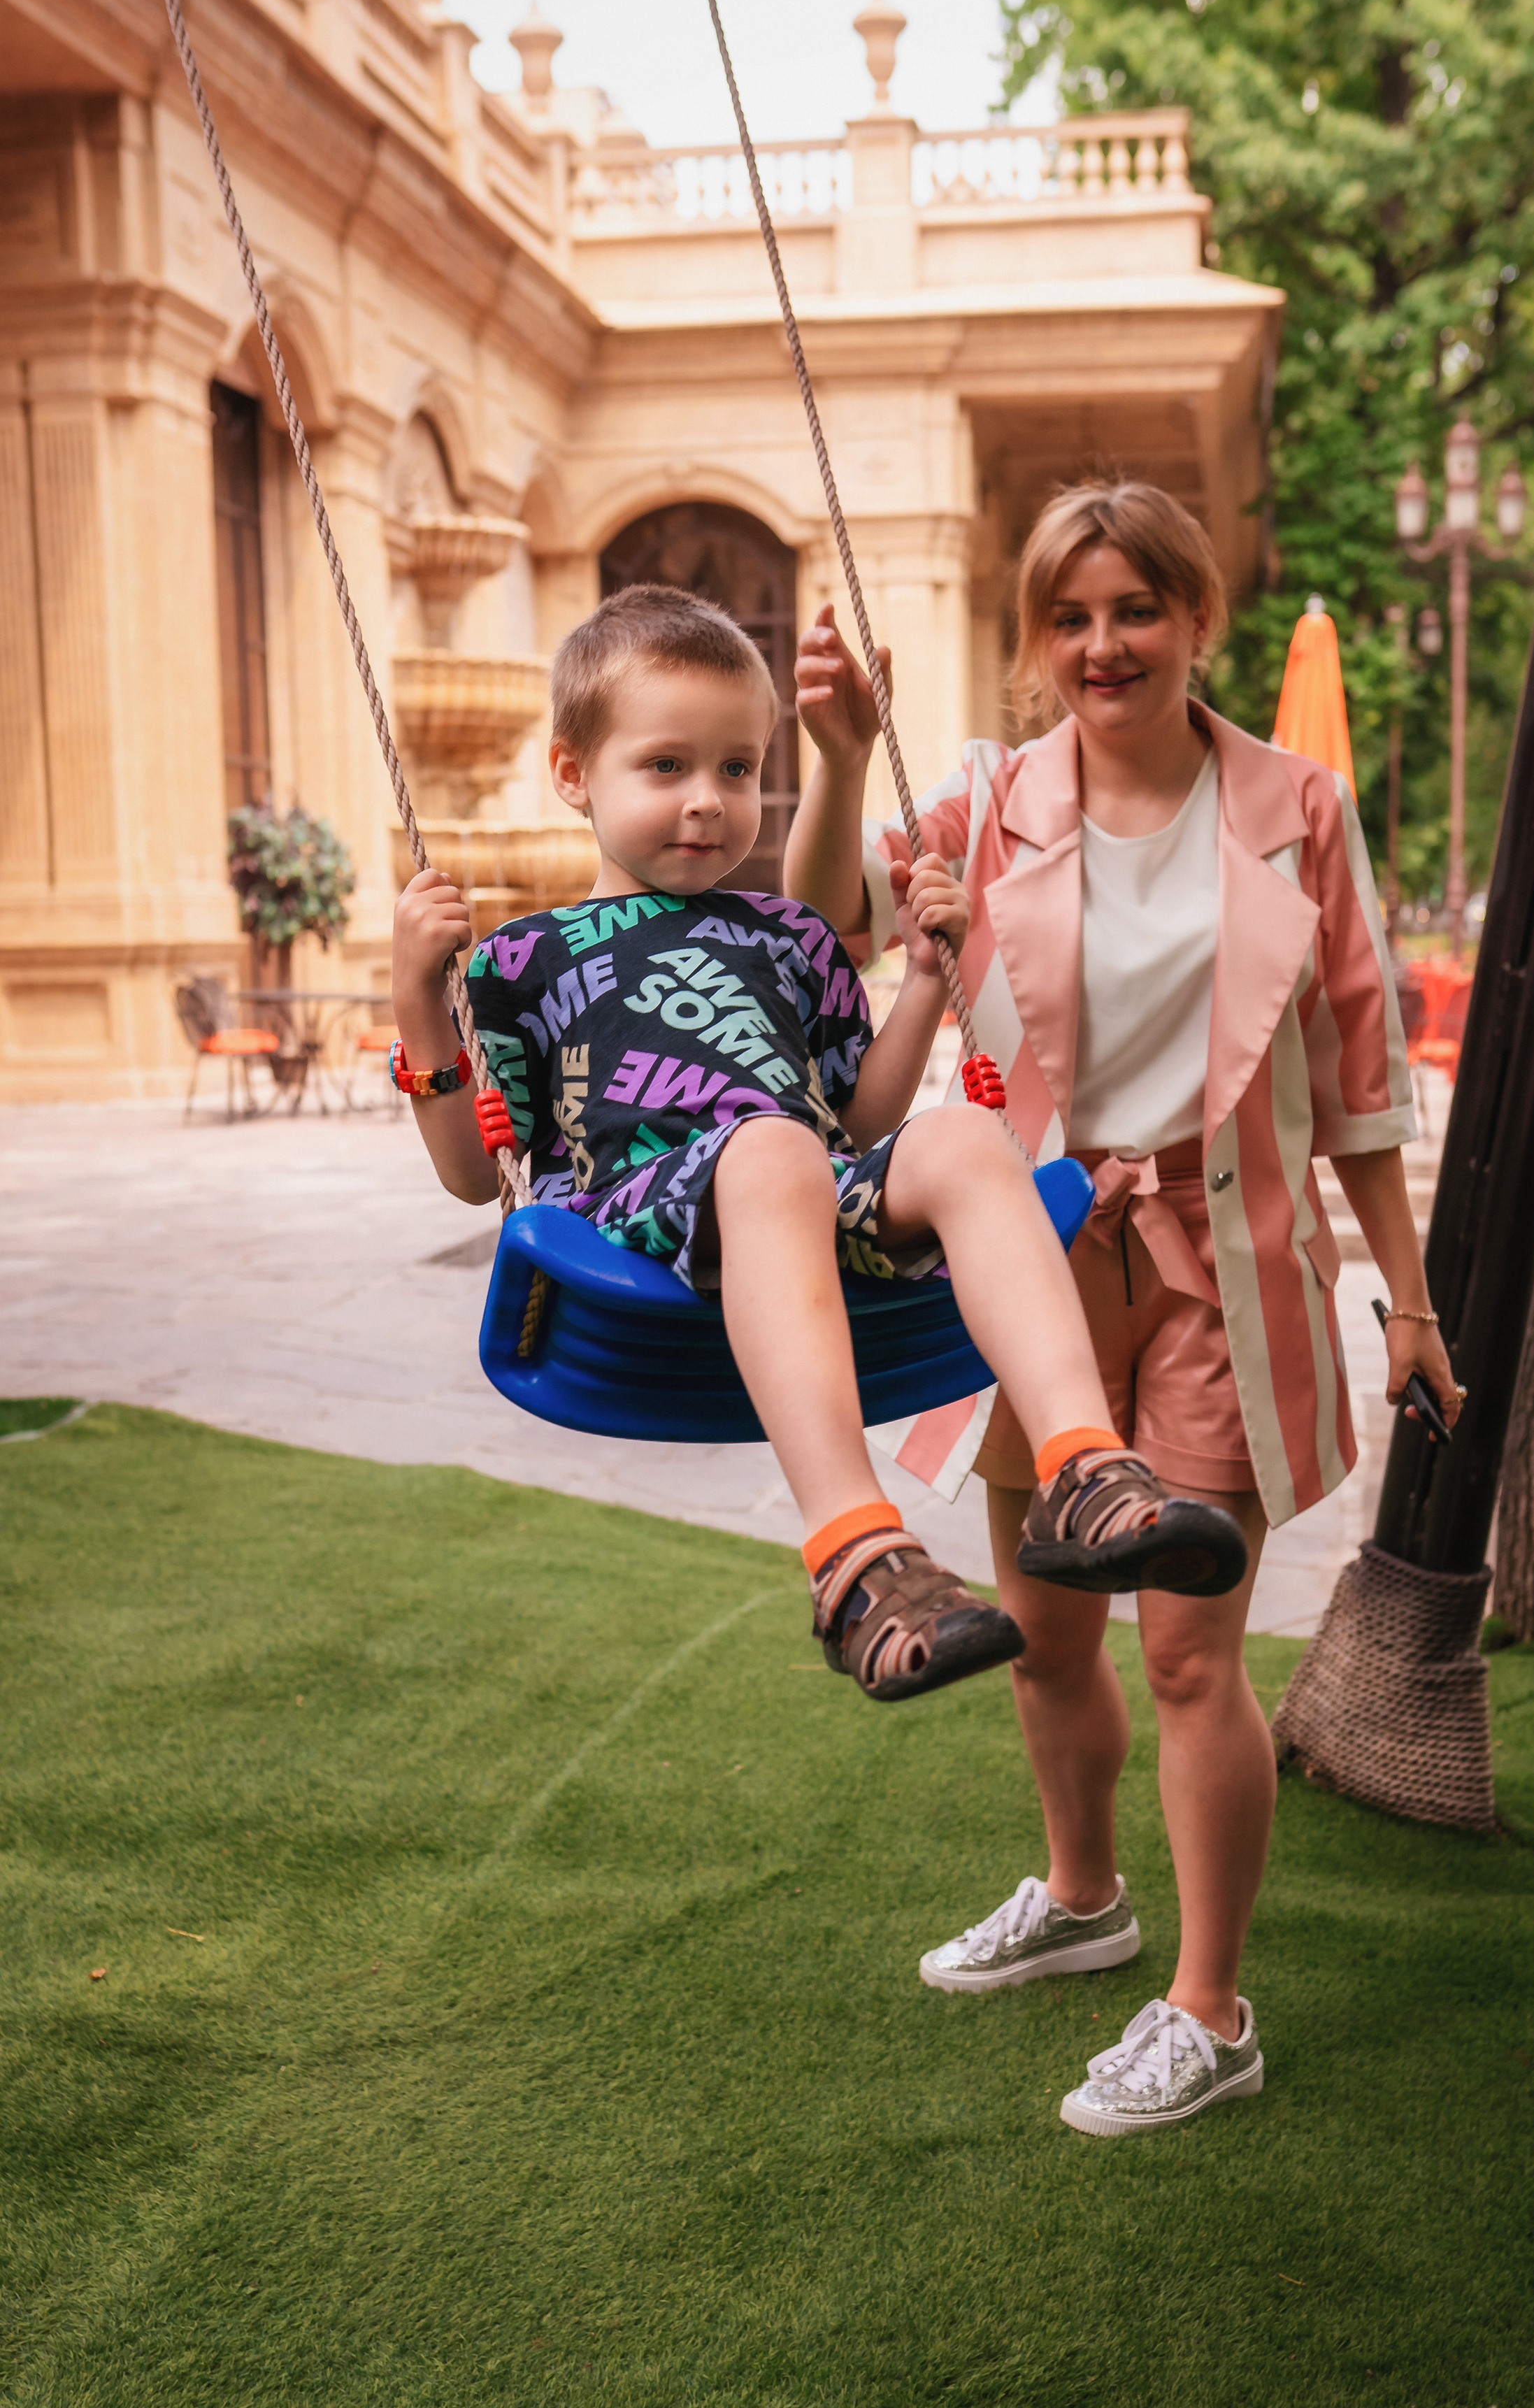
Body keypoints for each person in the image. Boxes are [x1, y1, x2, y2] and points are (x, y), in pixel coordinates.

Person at [784, 480, 1461, 2133]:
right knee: (1043, 1631)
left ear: (1193, 619)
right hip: (1037, 1265)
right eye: (1070, 616)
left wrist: (1413, 1307)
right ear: (1037, 640)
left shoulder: (1294, 805)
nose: (1104, 643)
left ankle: (1209, 2006)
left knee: (1183, 1657)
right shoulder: (981, 797)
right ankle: (1084, 1902)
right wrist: (840, 761)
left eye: (1135, 608)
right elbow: (820, 926)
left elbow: (1356, 1080)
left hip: (1224, 1278)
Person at [389, 581, 1247, 1707]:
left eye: (738, 770)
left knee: (957, 1142)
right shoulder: (521, 958)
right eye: (667, 767)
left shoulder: (788, 933)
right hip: (640, 1217)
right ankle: (854, 1556)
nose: (708, 802)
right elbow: (470, 1173)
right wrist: (418, 997)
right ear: (571, 775)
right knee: (771, 1152)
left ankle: (1082, 1467)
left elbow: (864, 1116)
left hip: (804, 1183)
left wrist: (929, 984)